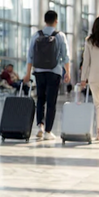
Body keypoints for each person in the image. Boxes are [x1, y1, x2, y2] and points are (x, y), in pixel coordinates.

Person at [23, 10, 70, 140]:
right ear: (56, 21)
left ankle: (40, 127)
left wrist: (27, 74)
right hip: (54, 72)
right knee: (51, 102)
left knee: (40, 100)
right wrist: (67, 72)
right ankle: (48, 132)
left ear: (44, 21)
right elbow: (65, 56)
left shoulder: (36, 35)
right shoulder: (60, 36)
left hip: (38, 72)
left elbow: (30, 56)